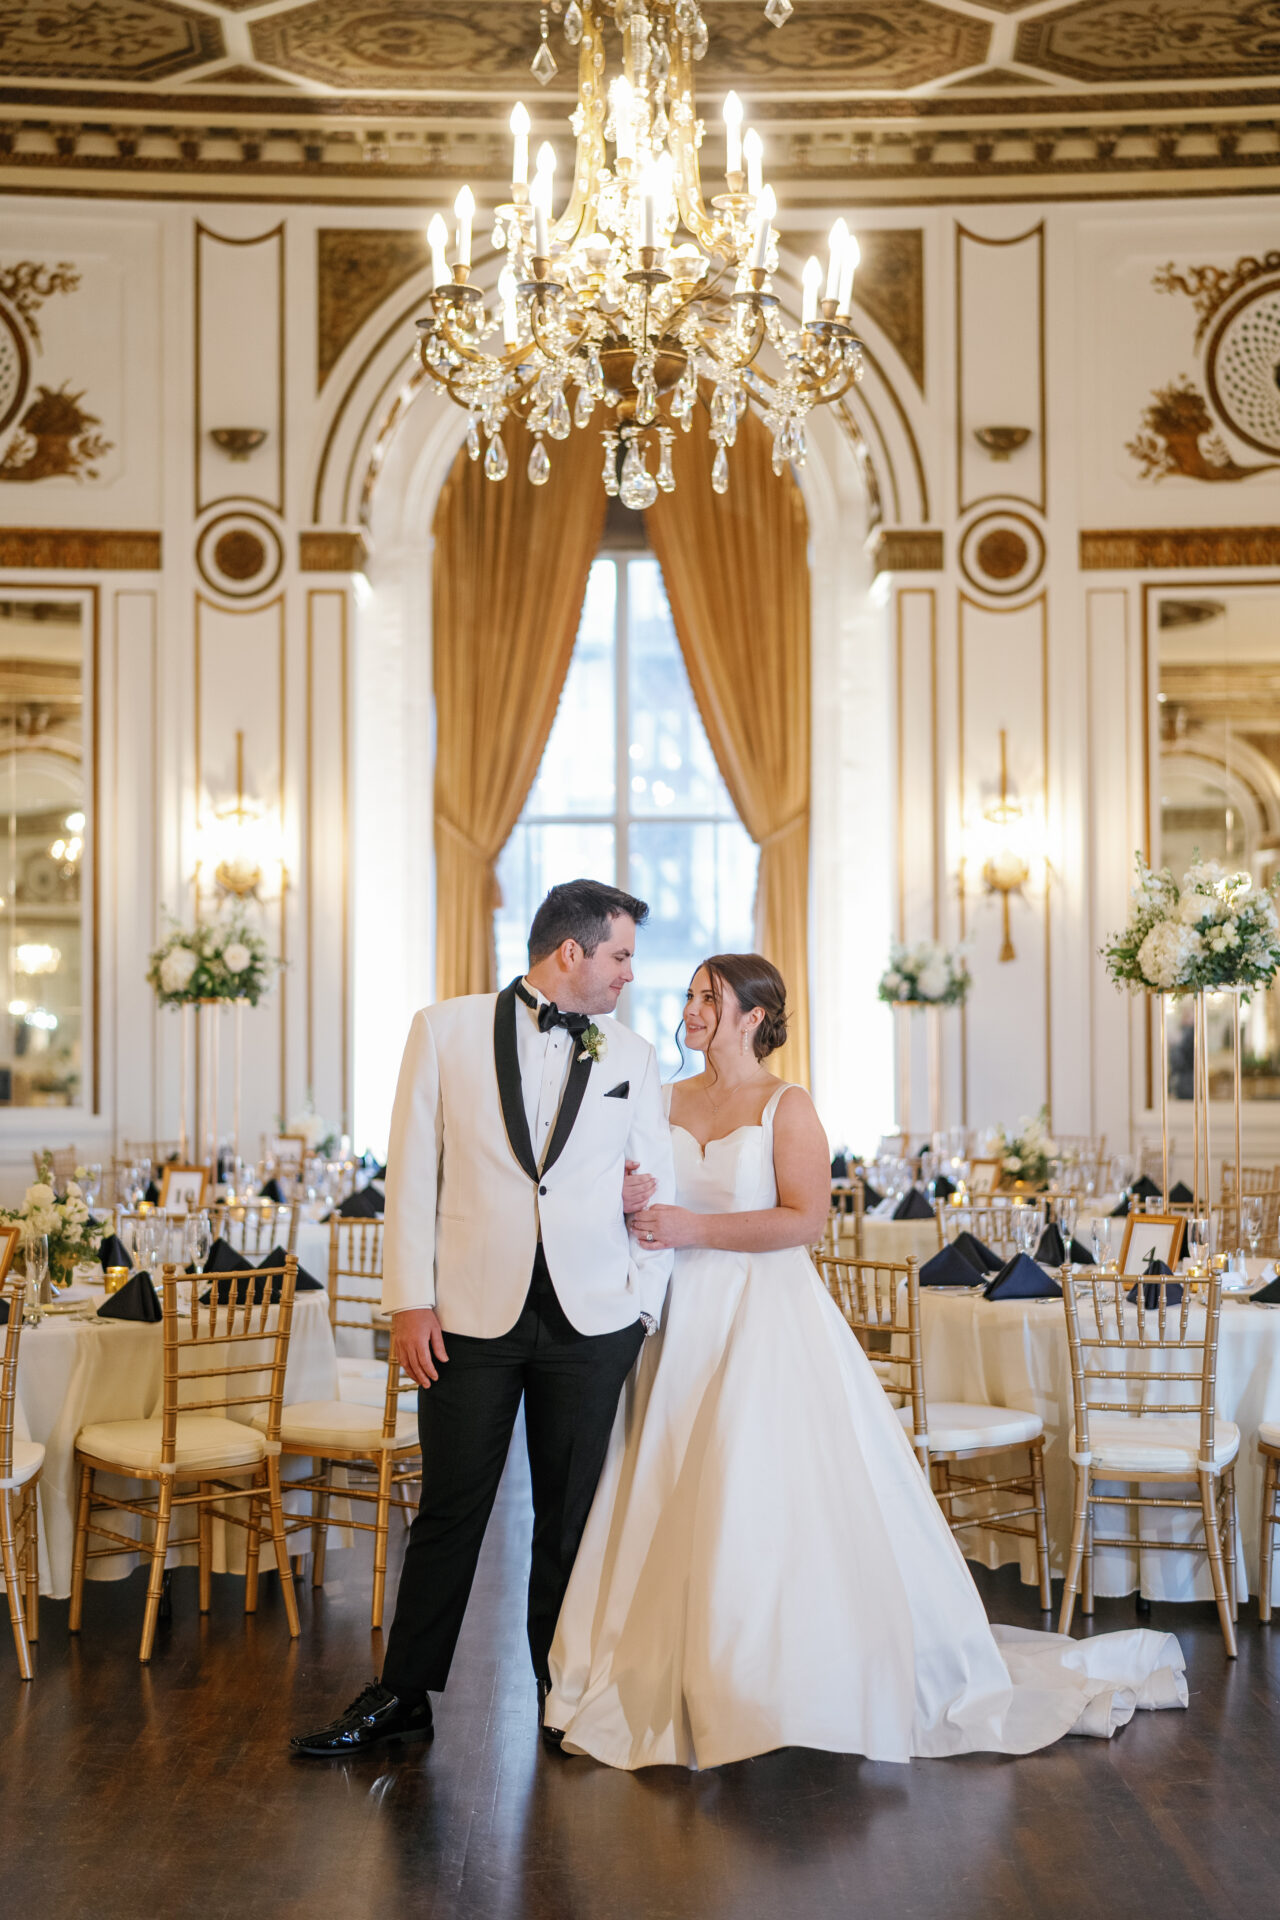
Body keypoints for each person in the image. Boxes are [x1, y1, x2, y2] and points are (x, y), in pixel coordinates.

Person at [546, 953, 1188, 1770]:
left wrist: (688, 1227)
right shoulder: (664, 1097)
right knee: (665, 1479)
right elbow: (635, 1187)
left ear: (752, 1016)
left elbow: (802, 1223)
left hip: (762, 1318)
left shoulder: (788, 1105)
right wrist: (637, 1201)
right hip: (676, 1318)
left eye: (711, 997)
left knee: (753, 1488)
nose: (693, 1008)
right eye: (692, 996)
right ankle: (665, 1664)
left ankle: (770, 1675)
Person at [292, 880, 674, 1757]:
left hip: (592, 1322)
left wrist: (639, 1309)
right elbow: (410, 1178)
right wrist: (408, 1304)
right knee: (451, 1508)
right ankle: (403, 1695)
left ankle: (563, 1687)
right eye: (619, 956)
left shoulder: (634, 1055)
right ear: (570, 953)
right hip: (466, 1315)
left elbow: (656, 1185)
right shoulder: (444, 1030)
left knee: (570, 1517)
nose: (628, 976)